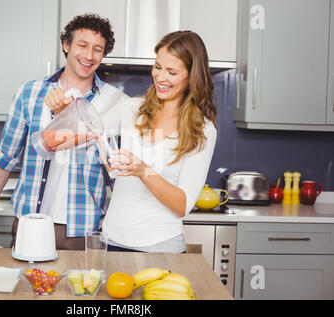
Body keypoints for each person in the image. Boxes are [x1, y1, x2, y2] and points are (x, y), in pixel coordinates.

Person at [47, 30, 217, 253]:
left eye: (172, 72)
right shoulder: (131, 109)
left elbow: (182, 205)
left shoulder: (202, 130)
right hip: (113, 241)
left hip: (161, 247)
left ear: (191, 75)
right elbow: (79, 133)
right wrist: (64, 112)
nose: (160, 77)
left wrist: (142, 170)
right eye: (157, 67)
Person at [0, 14, 128, 250]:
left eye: (98, 49)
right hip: (29, 223)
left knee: (80, 288)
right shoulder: (29, 93)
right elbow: (5, 159)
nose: (89, 56)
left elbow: (119, 174)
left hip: (82, 230)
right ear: (66, 45)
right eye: (82, 45)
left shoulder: (114, 102)